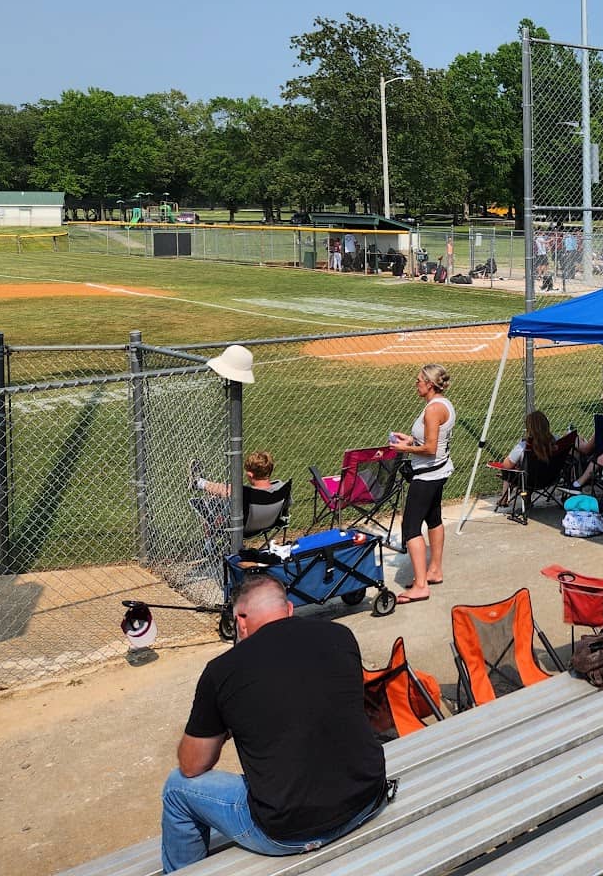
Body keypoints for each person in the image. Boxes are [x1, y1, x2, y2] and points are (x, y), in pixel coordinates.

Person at [159, 573, 389, 872]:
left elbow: (192, 766)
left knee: (176, 789)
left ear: (241, 620)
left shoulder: (222, 671)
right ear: (289, 609)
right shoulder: (340, 635)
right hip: (367, 799)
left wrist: (227, 720)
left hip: (289, 831)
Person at [388, 363, 453, 603]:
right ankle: (434, 570)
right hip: (439, 471)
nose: (416, 384)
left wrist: (405, 447)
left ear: (430, 384)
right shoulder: (443, 404)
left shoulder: (433, 409)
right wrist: (411, 438)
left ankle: (420, 585)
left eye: (418, 380)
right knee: (434, 518)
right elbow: (430, 439)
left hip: (427, 475)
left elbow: (430, 448)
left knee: (410, 527)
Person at [493, 410, 571, 506]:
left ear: (529, 428)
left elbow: (506, 465)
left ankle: (504, 499)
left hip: (529, 481)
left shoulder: (524, 446)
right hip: (551, 478)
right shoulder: (557, 441)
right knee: (528, 470)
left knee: (509, 472)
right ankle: (526, 497)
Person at [189, 450, 276, 501]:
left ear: (250, 475)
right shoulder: (279, 489)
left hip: (245, 527)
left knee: (216, 498)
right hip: (267, 524)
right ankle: (200, 483)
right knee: (232, 490)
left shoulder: (247, 495)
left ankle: (199, 482)